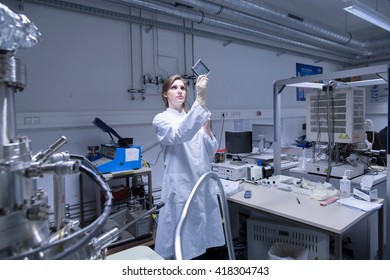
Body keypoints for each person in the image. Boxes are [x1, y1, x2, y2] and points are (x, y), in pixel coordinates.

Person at [152, 74, 225, 260]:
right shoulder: (161, 120)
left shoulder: (195, 117)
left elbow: (210, 151)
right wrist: (199, 103)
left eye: (183, 88)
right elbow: (179, 135)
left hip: (201, 184)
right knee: (183, 242)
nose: (179, 91)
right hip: (181, 187)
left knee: (203, 240)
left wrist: (207, 130)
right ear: (164, 94)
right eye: (174, 88)